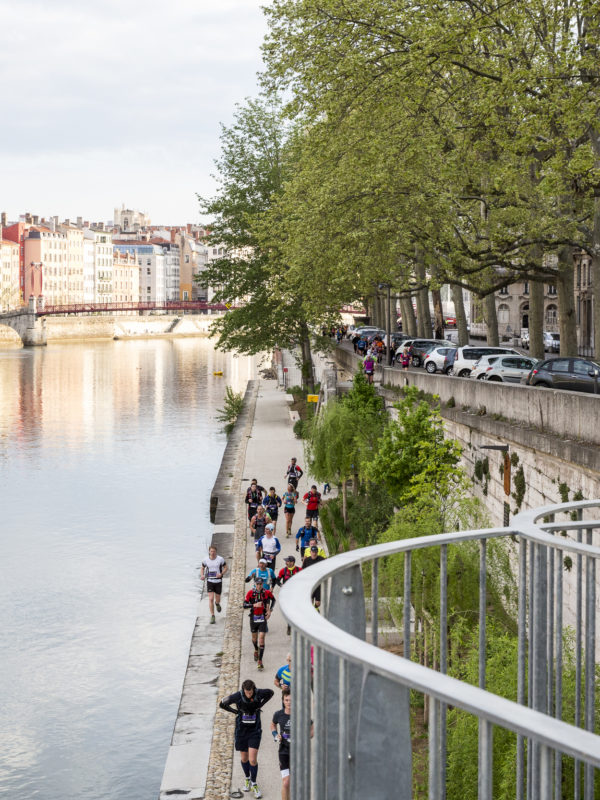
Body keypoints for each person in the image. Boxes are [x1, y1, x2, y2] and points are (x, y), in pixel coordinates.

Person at [220, 678, 274, 798]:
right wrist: (236, 711)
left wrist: (261, 704)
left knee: (252, 760)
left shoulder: (259, 693)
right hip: (241, 731)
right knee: (244, 759)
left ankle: (254, 784)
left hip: (255, 730)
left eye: (250, 692)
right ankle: (247, 779)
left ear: (253, 689)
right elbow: (222, 703)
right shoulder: (237, 696)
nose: (248, 694)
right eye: (246, 692)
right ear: (243, 690)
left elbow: (271, 692)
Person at [243, 576, 276, 670]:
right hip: (253, 618)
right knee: (254, 639)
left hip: (262, 618)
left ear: (262, 584)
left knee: (261, 638)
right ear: (255, 584)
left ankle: (260, 661)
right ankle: (256, 649)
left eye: (261, 584)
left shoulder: (266, 592)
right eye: (257, 584)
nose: (259, 586)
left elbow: (273, 599)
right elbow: (244, 605)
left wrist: (270, 610)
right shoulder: (250, 593)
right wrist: (253, 605)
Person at [200, 545, 228, 624]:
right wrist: (202, 575)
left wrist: (221, 574)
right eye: (211, 551)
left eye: (214, 551)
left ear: (216, 552)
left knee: (217, 599)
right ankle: (212, 616)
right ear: (209, 551)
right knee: (211, 599)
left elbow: (226, 567)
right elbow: (202, 568)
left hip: (218, 581)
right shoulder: (205, 560)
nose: (212, 553)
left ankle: (217, 603)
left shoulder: (220, 559)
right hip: (210, 581)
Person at [277, 555, 302, 635]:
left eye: (287, 561)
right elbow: (277, 580)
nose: (286, 562)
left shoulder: (299, 570)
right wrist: (281, 585)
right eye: (286, 561)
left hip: (297, 593)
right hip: (287, 594)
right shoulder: (282, 571)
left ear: (292, 562)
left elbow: (305, 579)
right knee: (289, 611)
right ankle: (289, 626)